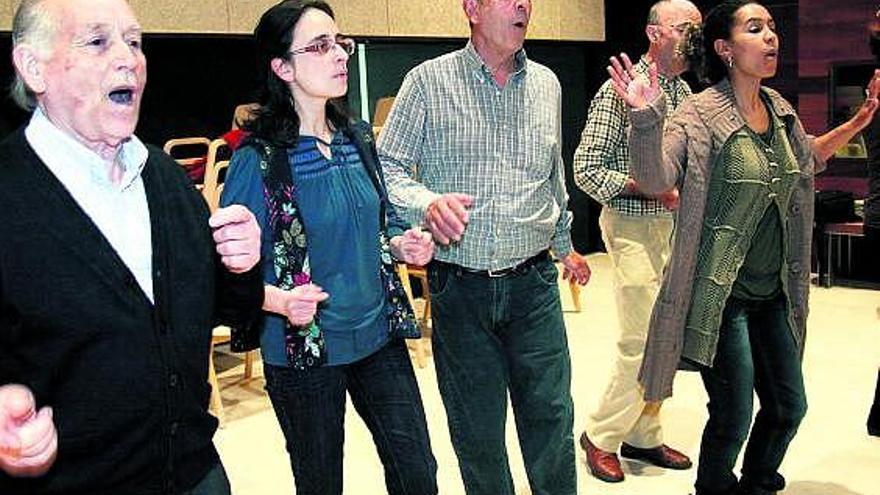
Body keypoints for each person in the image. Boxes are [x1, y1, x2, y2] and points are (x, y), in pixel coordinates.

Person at [609, 1, 880, 493]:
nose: (771, 37)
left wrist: (858, 121)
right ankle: (713, 487)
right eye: (755, 29)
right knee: (733, 414)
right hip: (722, 296)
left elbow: (809, 155)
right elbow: (654, 177)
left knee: (787, 406)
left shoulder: (779, 111)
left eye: (772, 27)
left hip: (773, 290)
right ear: (725, 49)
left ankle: (757, 480)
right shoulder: (698, 113)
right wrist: (645, 118)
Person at [0, 0, 265, 493]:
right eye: (98, 42)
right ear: (33, 67)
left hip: (195, 472)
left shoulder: (166, 182)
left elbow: (228, 313)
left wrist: (242, 265)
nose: (129, 58)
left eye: (135, 42)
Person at [219, 2, 438, 494]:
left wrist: (404, 244)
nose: (339, 54)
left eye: (341, 42)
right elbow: (225, 273)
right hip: (305, 351)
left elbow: (373, 228)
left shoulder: (356, 138)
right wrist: (279, 301)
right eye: (320, 46)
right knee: (320, 483)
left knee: (418, 473)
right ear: (283, 67)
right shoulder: (259, 159)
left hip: (377, 335)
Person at [378, 1, 591, 493]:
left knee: (551, 420)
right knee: (477, 433)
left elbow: (551, 174)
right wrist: (427, 203)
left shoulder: (546, 84)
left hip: (534, 285)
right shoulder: (427, 82)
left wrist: (564, 244)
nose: (523, 6)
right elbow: (386, 169)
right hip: (460, 288)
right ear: (471, 8)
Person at [572, 0, 699, 483]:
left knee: (666, 337)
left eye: (697, 27)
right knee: (639, 341)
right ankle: (601, 436)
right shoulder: (615, 91)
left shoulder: (684, 91)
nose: (693, 34)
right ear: (653, 32)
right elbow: (586, 169)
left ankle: (644, 434)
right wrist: (649, 186)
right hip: (630, 228)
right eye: (683, 27)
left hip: (672, 228)